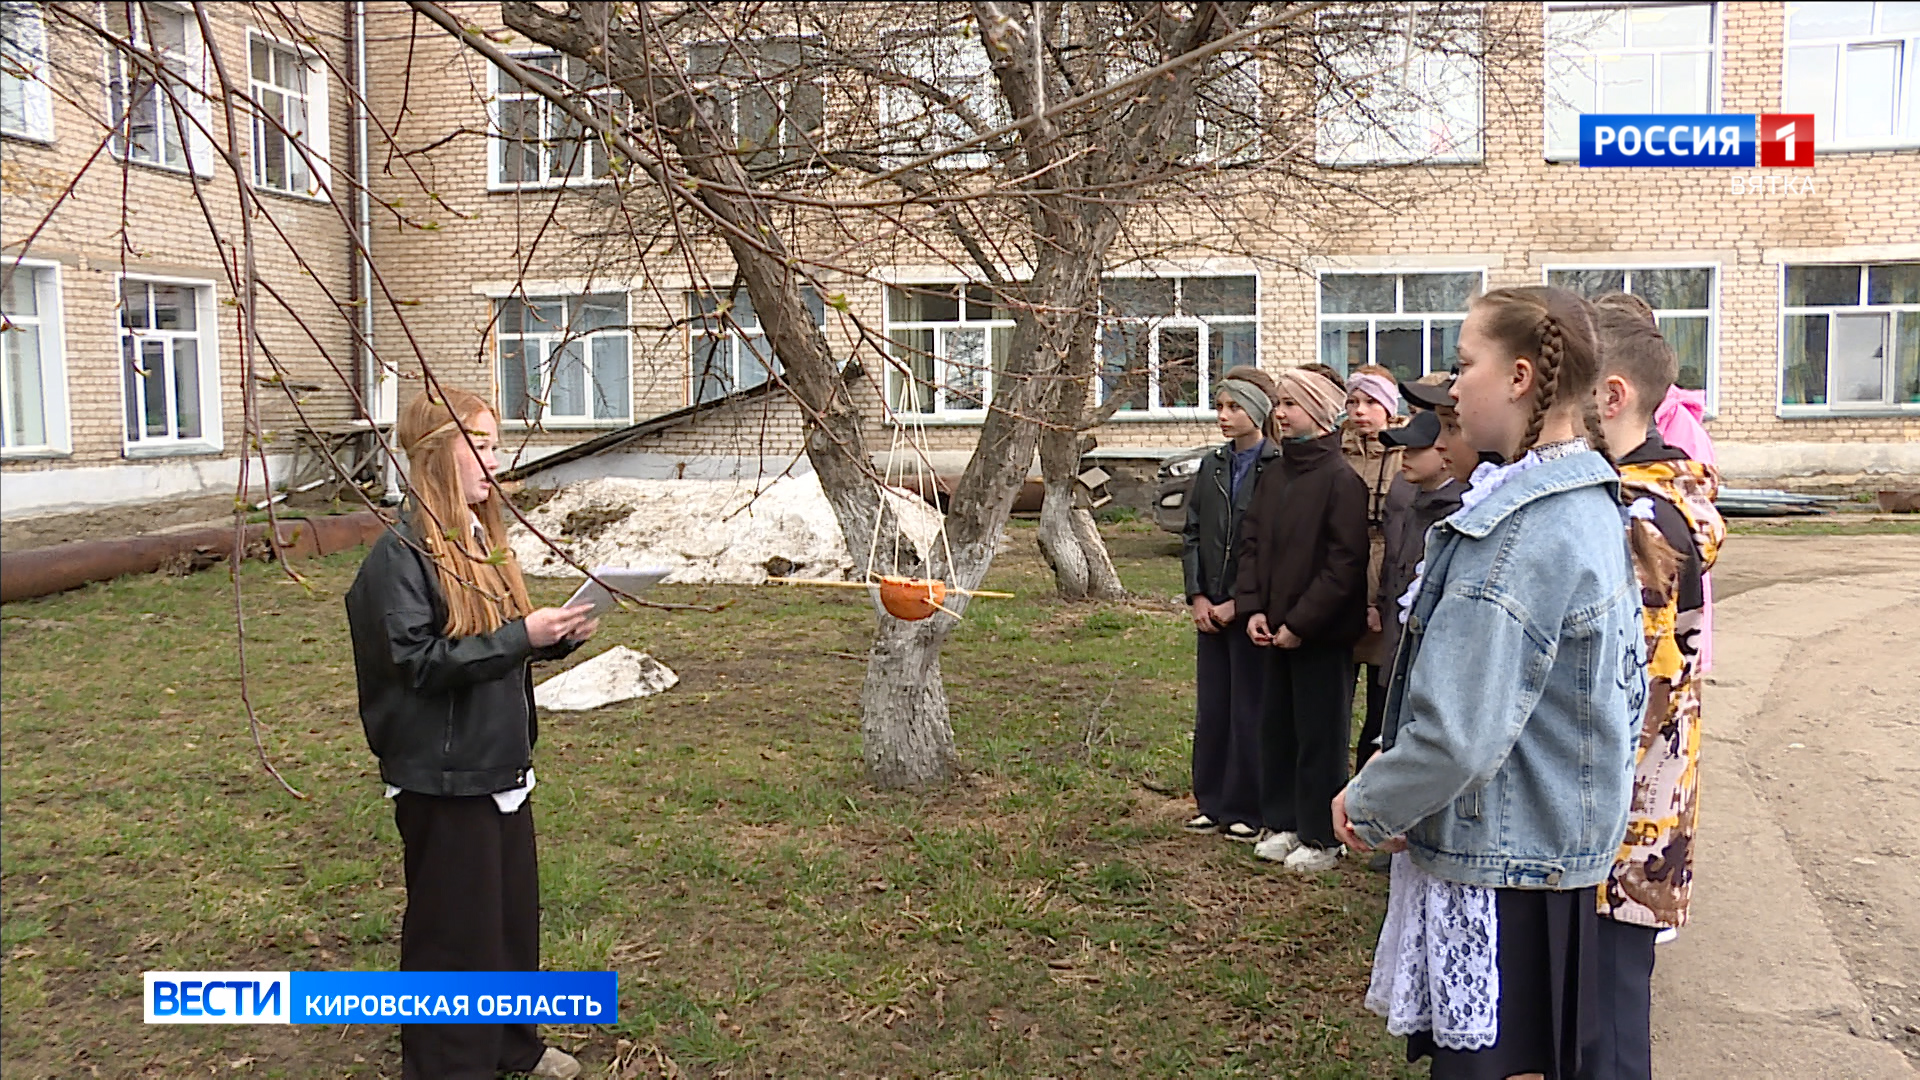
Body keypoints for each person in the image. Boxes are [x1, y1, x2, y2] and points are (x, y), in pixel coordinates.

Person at [1333, 286, 1645, 1078]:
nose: (1454, 383)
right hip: (1544, 851)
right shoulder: (1585, 497)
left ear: (1517, 377)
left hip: (1506, 864)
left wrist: (1370, 803)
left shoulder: (1519, 532)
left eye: (1463, 363)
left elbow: (1459, 737)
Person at [345, 388, 597, 1080]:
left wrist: (551, 639)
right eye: (478, 445)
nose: (493, 461)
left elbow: (492, 644)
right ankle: (448, 1066)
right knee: (454, 937)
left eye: (494, 445)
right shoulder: (400, 556)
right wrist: (521, 637)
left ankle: (511, 1046)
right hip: (443, 777)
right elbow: (418, 664)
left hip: (499, 764)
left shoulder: (480, 542)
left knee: (508, 922)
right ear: (435, 455)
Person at [1585, 307, 1726, 1080]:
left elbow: (1619, 690)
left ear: (1611, 397)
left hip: (1615, 820)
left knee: (1603, 1031)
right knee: (1609, 1014)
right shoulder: (1669, 494)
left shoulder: (1634, 517)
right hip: (1648, 809)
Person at [1234, 367, 1370, 872]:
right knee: (1278, 729)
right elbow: (1251, 545)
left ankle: (1321, 835)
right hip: (1273, 629)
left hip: (1320, 636)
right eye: (1280, 403)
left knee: (1319, 736)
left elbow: (1344, 564)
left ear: (1319, 411)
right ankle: (1284, 821)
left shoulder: (1341, 481)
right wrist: (1254, 609)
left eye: (1291, 403)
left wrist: (1301, 624)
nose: (1280, 413)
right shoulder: (1275, 475)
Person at [1182, 367, 1281, 843]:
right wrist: (1198, 595)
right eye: (1219, 406)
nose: (1222, 416)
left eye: (1233, 407)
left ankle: (1247, 805)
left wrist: (1240, 603)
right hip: (1211, 609)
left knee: (1249, 708)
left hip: (1253, 611)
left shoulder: (1276, 466)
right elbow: (1193, 532)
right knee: (1214, 707)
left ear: (1257, 413)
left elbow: (1275, 546)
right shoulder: (1213, 465)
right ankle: (1211, 801)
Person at [1360, 403, 1463, 776]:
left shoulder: (1462, 508)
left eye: (1416, 449)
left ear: (1444, 453)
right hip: (1395, 642)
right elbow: (1394, 562)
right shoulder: (1407, 494)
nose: (1405, 457)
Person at [1341, 366, 1409, 782]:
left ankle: (1371, 783)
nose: (1360, 412)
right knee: (1336, 694)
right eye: (1353, 402)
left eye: (1370, 402)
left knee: (1382, 699)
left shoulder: (1404, 453)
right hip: (1345, 570)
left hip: (1388, 573)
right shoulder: (1338, 450)